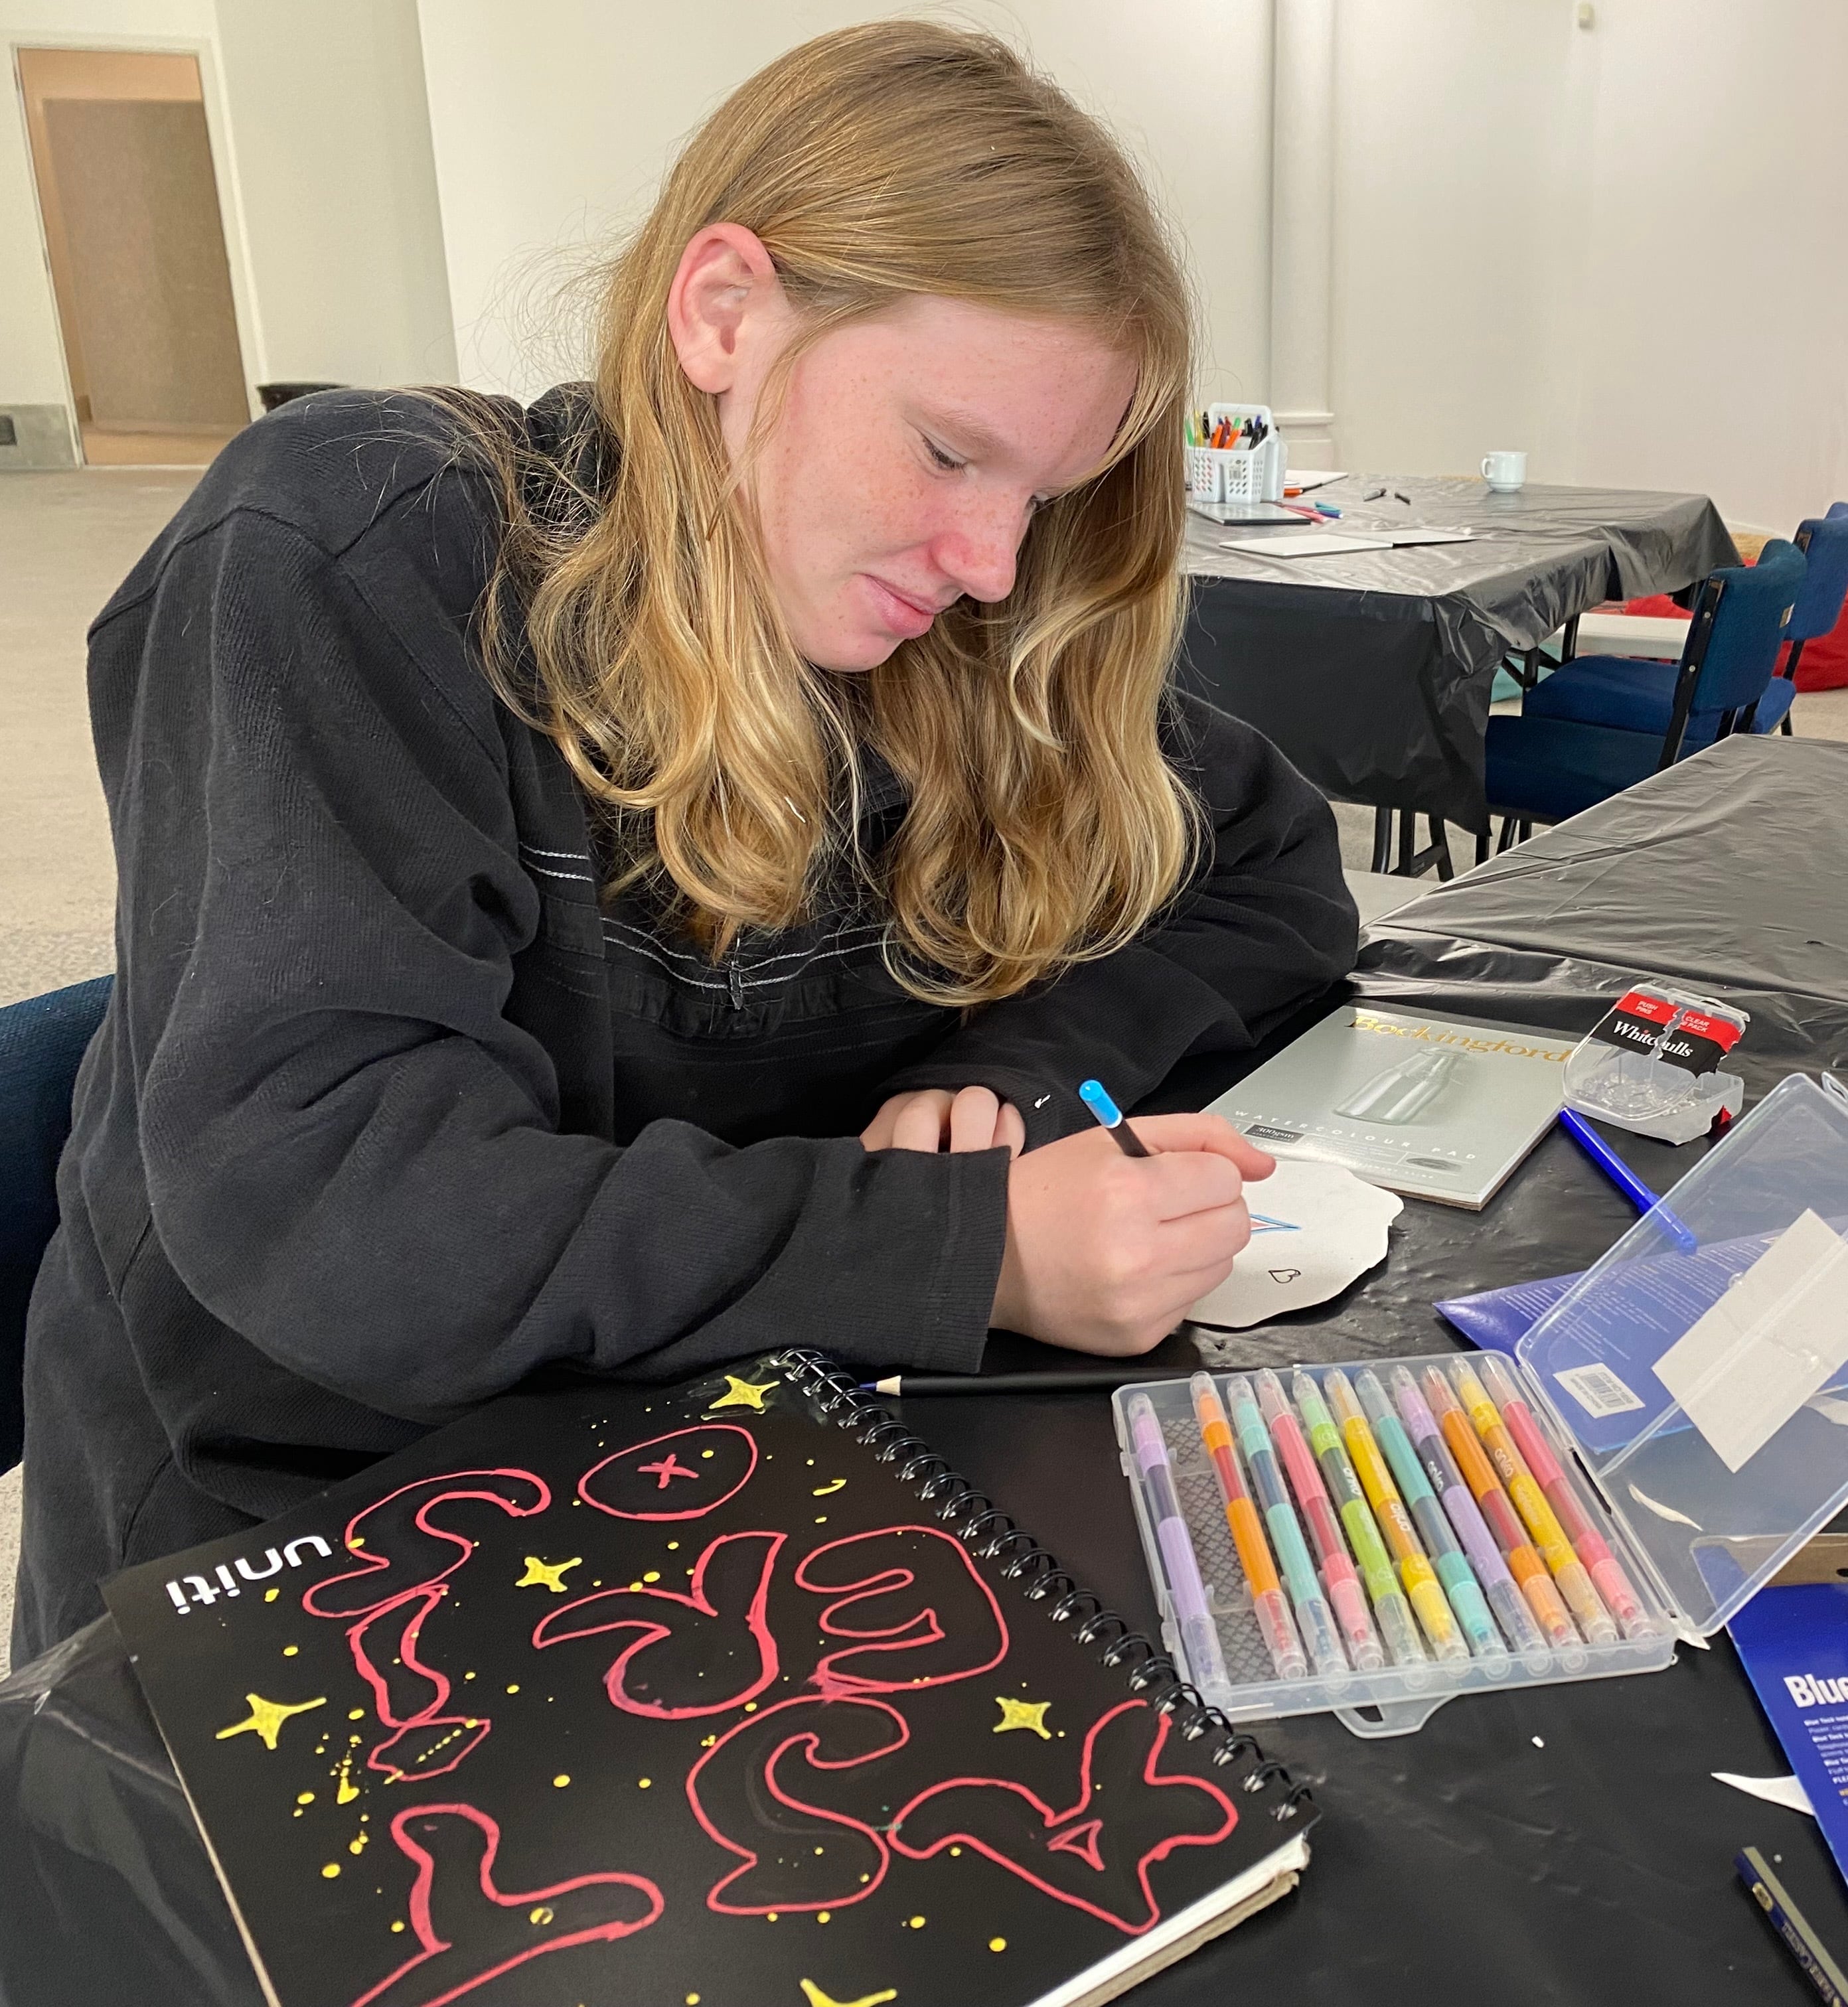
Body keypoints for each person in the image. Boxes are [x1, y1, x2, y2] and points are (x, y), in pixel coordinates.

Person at [14, 23, 1355, 1657]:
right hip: (312, 1548)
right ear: (724, 313)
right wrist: (965, 1246)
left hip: (747, 1466)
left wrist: (1025, 1068)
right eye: (947, 452)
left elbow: (1268, 865)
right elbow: (343, 1212)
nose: (993, 562)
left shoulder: (934, 634)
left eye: (1047, 495)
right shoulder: (358, 550)